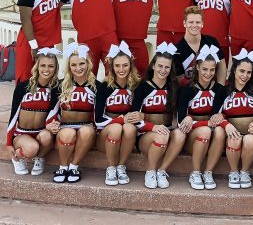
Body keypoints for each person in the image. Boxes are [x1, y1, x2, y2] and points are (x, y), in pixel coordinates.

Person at [132, 42, 186, 189]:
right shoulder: (142, 87)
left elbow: (179, 115)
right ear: (153, 66)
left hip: (168, 130)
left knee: (180, 135)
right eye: (160, 66)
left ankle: (162, 170)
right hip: (146, 134)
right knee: (161, 135)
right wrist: (153, 127)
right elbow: (134, 118)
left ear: (171, 69)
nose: (163, 70)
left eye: (167, 67)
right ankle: (150, 171)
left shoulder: (175, 88)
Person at [48, 43, 101, 183]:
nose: (78, 68)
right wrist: (50, 123)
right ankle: (63, 166)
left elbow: (99, 112)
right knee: (68, 133)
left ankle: (74, 166)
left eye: (82, 63)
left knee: (86, 132)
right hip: (65, 126)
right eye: (74, 65)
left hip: (87, 126)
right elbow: (52, 109)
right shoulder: (60, 85)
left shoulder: (97, 86)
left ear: (88, 64)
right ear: (69, 67)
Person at [177, 45, 227, 190]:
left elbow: (218, 118)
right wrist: (193, 120)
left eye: (212, 70)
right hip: (192, 137)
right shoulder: (187, 89)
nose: (208, 73)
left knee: (220, 131)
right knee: (205, 130)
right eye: (205, 69)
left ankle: (208, 172)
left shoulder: (220, 90)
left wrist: (221, 114)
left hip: (212, 136)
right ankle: (195, 172)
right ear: (197, 67)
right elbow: (181, 121)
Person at [218, 49, 253, 189]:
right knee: (235, 139)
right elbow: (216, 115)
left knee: (250, 140)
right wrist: (226, 124)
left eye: (248, 72)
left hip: (250, 134)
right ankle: (233, 171)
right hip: (231, 134)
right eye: (242, 71)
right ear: (234, 70)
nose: (245, 75)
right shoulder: (224, 90)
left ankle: (244, 171)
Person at [7, 48, 61, 175]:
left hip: (41, 131)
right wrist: (9, 143)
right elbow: (14, 114)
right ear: (37, 66)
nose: (46, 70)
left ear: (55, 68)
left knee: (47, 137)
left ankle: (39, 158)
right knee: (31, 148)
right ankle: (17, 158)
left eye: (50, 66)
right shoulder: (23, 86)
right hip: (22, 133)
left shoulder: (56, 88)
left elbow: (55, 111)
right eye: (43, 65)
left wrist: (51, 125)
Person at [94, 42, 140, 186]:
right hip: (106, 134)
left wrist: (139, 116)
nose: (121, 69)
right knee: (117, 128)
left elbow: (138, 113)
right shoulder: (104, 87)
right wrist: (121, 119)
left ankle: (121, 166)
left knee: (130, 128)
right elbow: (98, 120)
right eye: (118, 65)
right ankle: (111, 167)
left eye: (125, 65)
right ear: (112, 67)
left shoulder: (136, 86)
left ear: (131, 65)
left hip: (127, 135)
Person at [15, 0, 62, 83]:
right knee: (25, 80)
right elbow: (25, 19)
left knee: (46, 80)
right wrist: (34, 46)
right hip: (29, 42)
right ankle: (21, 103)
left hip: (48, 43)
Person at [174, 6, 227, 86]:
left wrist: (220, 87)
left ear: (202, 23)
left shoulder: (212, 42)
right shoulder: (178, 49)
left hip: (211, 88)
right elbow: (179, 79)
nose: (194, 25)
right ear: (184, 23)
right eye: (191, 22)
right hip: (190, 92)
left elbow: (222, 65)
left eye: (198, 22)